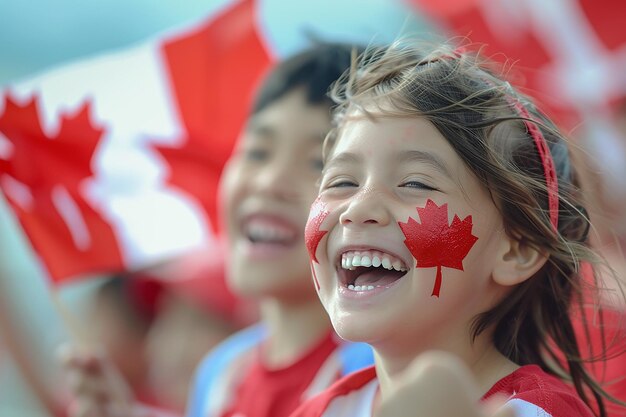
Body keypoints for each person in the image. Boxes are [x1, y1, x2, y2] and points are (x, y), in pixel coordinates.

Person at [290, 42, 626, 417]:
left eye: (415, 183)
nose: (358, 208)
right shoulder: (322, 409)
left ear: (517, 249)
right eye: (341, 182)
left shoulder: (537, 411)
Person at [59, 43, 373, 417]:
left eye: (317, 162)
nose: (270, 182)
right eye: (257, 152)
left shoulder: (374, 375)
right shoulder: (223, 371)